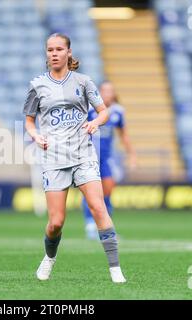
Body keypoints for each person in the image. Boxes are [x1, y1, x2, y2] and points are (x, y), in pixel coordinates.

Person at [23, 33, 126, 283]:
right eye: (50, 49)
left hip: (83, 155)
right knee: (56, 223)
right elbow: (29, 120)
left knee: (98, 207)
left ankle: (115, 270)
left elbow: (104, 112)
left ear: (69, 52)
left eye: (59, 49)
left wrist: (94, 123)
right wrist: (36, 135)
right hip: (54, 159)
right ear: (46, 54)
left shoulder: (84, 82)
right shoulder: (37, 85)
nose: (54, 53)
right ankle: (49, 258)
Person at [83, 81, 137, 240]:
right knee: (91, 192)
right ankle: (91, 225)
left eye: (110, 91)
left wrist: (132, 155)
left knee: (107, 190)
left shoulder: (118, 112)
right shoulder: (90, 109)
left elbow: (123, 135)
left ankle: (105, 227)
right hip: (89, 156)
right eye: (104, 91)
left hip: (106, 157)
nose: (107, 93)